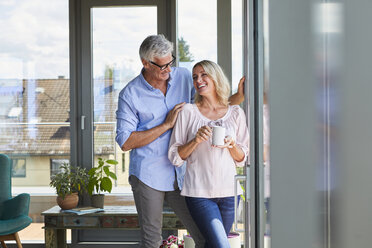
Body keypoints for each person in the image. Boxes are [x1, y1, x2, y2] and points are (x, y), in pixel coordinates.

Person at [115, 35, 244, 248]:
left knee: (203, 237)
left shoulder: (184, 76)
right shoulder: (130, 94)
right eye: (162, 65)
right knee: (152, 240)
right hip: (149, 174)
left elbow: (211, 108)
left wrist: (238, 97)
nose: (168, 69)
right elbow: (125, 141)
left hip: (184, 174)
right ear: (145, 63)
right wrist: (165, 125)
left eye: (170, 62)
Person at [168, 60, 249, 247]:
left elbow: (242, 158)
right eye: (195, 76)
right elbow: (174, 156)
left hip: (229, 193)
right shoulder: (188, 112)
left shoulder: (235, 113)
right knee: (221, 245)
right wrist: (195, 140)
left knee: (212, 245)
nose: (199, 79)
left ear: (216, 78)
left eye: (204, 74)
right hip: (199, 193)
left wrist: (231, 145)